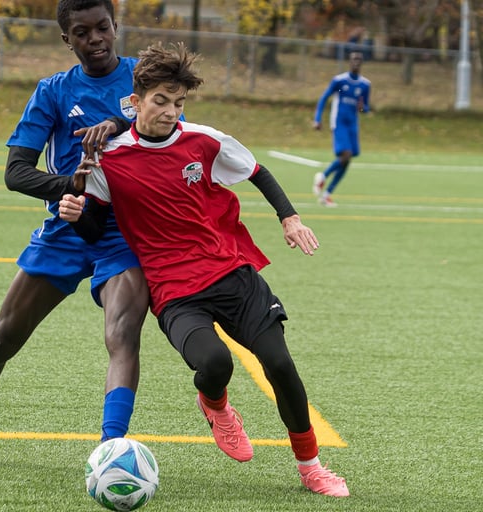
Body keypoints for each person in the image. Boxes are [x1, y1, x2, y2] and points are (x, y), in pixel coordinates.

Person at [59, 42, 350, 498]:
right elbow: (95, 230)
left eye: (178, 103)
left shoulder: (204, 140)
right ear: (135, 101)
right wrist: (77, 215)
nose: (170, 112)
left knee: (279, 364)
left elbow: (257, 171)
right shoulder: (109, 158)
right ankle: (214, 403)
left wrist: (289, 217)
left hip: (231, 272)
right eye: (160, 101)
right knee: (214, 363)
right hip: (174, 289)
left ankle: (311, 467)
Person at [0, 0, 149, 463]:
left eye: (102, 27)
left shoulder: (143, 77)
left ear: (115, 26)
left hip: (125, 234)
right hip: (66, 227)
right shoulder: (53, 91)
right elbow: (16, 172)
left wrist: (119, 122)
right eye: (82, 32)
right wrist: (71, 187)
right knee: (4, 335)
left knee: (122, 334)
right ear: (67, 39)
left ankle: (110, 451)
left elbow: (171, 128)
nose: (95, 39)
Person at [312, 50, 370, 207]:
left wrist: (363, 107)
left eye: (359, 59)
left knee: (348, 159)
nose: (356, 62)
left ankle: (327, 195)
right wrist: (317, 119)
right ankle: (323, 176)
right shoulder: (339, 80)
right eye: (353, 59)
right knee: (346, 155)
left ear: (362, 63)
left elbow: (365, 107)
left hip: (353, 124)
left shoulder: (365, 84)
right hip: (339, 122)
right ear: (349, 62)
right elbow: (324, 98)